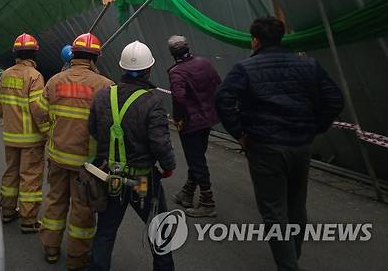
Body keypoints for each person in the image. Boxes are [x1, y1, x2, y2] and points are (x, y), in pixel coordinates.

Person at [216, 17, 344, 271]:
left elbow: (223, 100)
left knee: (274, 211)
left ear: (255, 40)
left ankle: (288, 266)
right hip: (300, 146)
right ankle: (292, 256)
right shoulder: (308, 65)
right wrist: (315, 127)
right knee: (297, 206)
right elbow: (335, 100)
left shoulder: (245, 69)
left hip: (265, 148)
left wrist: (240, 133)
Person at [88, 41, 176, 271]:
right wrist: (168, 166)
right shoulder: (152, 101)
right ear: (148, 70)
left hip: (111, 178)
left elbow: (93, 130)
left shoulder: (102, 96)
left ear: (123, 68)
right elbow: (160, 143)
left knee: (106, 231)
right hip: (142, 181)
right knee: (158, 229)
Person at [39, 33, 113, 270]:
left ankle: (51, 248)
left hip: (58, 157)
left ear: (74, 55)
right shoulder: (105, 86)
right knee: (82, 211)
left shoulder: (54, 81)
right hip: (86, 163)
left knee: (55, 202)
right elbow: (111, 127)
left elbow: (40, 112)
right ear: (95, 58)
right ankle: (76, 258)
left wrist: (52, 132)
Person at [0, 33, 49, 234]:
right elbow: (38, 109)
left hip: (11, 136)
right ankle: (28, 220)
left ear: (15, 53)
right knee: (30, 178)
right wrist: (47, 132)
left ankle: (8, 211)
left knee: (11, 173)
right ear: (34, 53)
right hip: (31, 139)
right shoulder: (34, 76)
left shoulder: (6, 74)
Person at [167, 35, 221, 217]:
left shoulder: (177, 72)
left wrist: (178, 118)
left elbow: (179, 98)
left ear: (172, 53)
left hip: (191, 123)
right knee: (196, 157)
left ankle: (207, 202)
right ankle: (187, 193)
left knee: (196, 160)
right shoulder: (204, 63)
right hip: (208, 119)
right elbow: (218, 85)